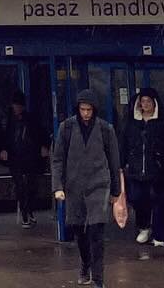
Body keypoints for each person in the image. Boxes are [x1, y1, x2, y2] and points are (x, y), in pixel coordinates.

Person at [53, 90, 123, 288]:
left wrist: (115, 192)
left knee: (96, 232)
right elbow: (58, 159)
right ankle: (85, 262)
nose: (85, 113)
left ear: (94, 110)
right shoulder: (66, 128)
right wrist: (58, 186)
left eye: (89, 109)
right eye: (82, 109)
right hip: (74, 187)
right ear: (77, 109)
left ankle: (98, 279)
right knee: (79, 231)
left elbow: (113, 160)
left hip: (99, 185)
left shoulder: (105, 129)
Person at [122, 88, 164, 246]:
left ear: (155, 103)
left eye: (148, 101)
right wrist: (123, 162)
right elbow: (124, 143)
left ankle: (159, 235)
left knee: (159, 201)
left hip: (158, 169)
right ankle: (143, 227)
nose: (145, 104)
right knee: (138, 198)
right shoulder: (132, 123)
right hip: (136, 169)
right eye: (142, 101)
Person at [0, 90, 48, 228]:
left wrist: (44, 146)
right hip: (15, 157)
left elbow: (40, 133)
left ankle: (29, 210)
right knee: (20, 185)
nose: (17, 108)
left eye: (19, 106)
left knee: (31, 185)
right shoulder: (7, 120)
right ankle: (25, 213)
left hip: (29, 156)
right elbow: (2, 136)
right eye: (15, 105)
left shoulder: (30, 119)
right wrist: (2, 149)